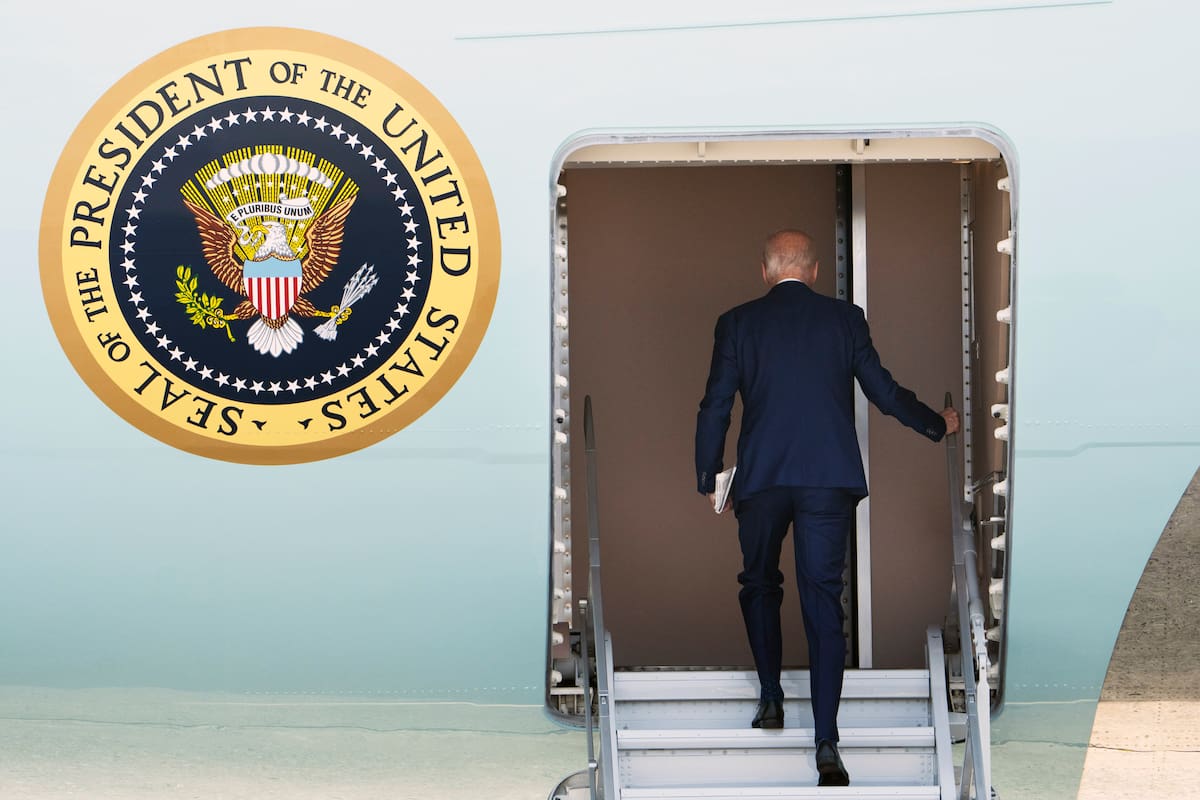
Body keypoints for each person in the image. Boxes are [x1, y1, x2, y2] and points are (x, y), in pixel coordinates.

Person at [694, 229, 959, 787]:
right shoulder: (845, 319)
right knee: (823, 601)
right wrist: (937, 425)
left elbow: (716, 402)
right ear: (814, 271)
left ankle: (770, 696)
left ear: (765, 271)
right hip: (826, 480)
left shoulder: (737, 323)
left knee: (760, 582)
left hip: (762, 478)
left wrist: (707, 474)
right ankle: (827, 743)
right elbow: (882, 392)